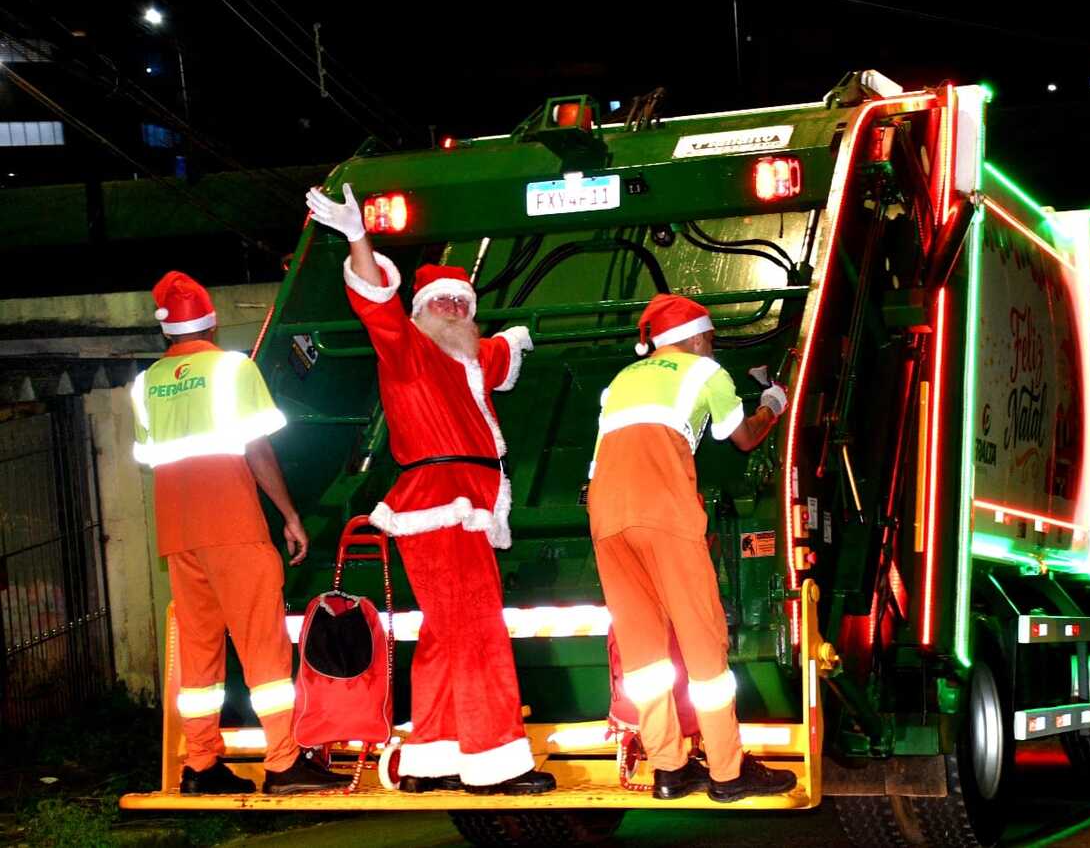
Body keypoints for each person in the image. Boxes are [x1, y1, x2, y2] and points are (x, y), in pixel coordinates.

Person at [305, 183, 555, 795]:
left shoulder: (474, 361)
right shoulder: (408, 352)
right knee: (478, 630)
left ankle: (431, 758)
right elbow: (376, 306)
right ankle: (497, 761)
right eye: (439, 301)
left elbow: (496, 354)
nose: (451, 309)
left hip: (466, 506)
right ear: (418, 311)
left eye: (461, 303)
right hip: (442, 509)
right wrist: (358, 237)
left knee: (446, 635)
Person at [132, 271, 348, 795]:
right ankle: (282, 763)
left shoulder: (143, 385)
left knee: (201, 653)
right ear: (213, 319)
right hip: (233, 526)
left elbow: (148, 457)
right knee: (262, 648)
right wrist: (290, 516)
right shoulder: (233, 369)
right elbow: (257, 449)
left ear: (166, 332)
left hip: (178, 535)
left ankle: (201, 766)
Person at [588, 293, 797, 802]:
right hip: (664, 514)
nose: (713, 345)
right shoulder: (707, 373)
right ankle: (727, 772)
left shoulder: (621, 381)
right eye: (711, 338)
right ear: (697, 337)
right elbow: (743, 438)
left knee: (644, 656)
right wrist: (773, 402)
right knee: (704, 645)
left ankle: (669, 770)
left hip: (605, 519)